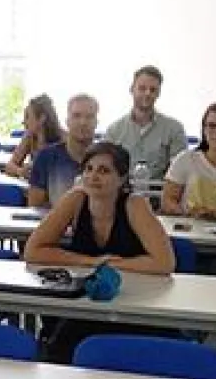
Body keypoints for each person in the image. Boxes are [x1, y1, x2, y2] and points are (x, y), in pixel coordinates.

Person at [25, 141, 175, 363]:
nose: (94, 177)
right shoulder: (75, 199)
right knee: (62, 341)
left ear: (122, 179)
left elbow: (164, 263)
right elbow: (33, 251)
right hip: (84, 300)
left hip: (135, 301)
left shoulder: (135, 205)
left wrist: (111, 264)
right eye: (89, 169)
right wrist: (91, 261)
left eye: (104, 171)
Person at [161, 101, 216, 219]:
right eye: (211, 126)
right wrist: (188, 213)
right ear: (204, 130)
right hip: (188, 229)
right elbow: (168, 200)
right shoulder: (186, 159)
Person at [103, 65, 189, 180]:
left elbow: (181, 173)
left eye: (153, 90)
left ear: (158, 93)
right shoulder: (114, 131)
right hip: (123, 194)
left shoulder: (174, 129)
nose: (148, 93)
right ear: (131, 89)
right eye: (142, 88)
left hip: (161, 195)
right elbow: (106, 170)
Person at [26, 94, 99, 207]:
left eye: (89, 117)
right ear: (67, 121)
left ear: (96, 122)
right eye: (76, 116)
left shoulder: (106, 161)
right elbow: (34, 208)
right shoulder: (46, 157)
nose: (83, 122)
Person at [4, 94, 64, 179]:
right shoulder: (29, 136)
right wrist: (20, 171)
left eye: (27, 117)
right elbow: (9, 166)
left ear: (42, 118)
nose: (24, 122)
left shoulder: (64, 140)